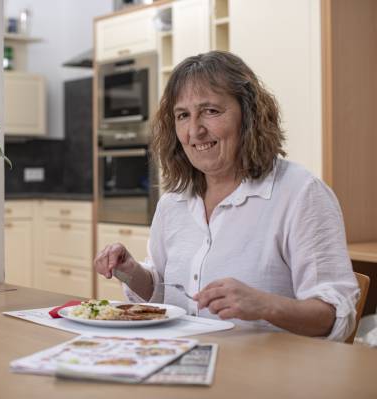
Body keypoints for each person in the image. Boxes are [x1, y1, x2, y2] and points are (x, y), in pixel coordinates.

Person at [94, 51, 359, 341]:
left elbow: (335, 319)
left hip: (268, 375)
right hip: (177, 360)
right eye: (183, 115)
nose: (195, 130)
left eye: (211, 111)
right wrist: (129, 271)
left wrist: (264, 305)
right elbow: (164, 296)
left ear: (249, 115)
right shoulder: (173, 203)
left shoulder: (300, 193)